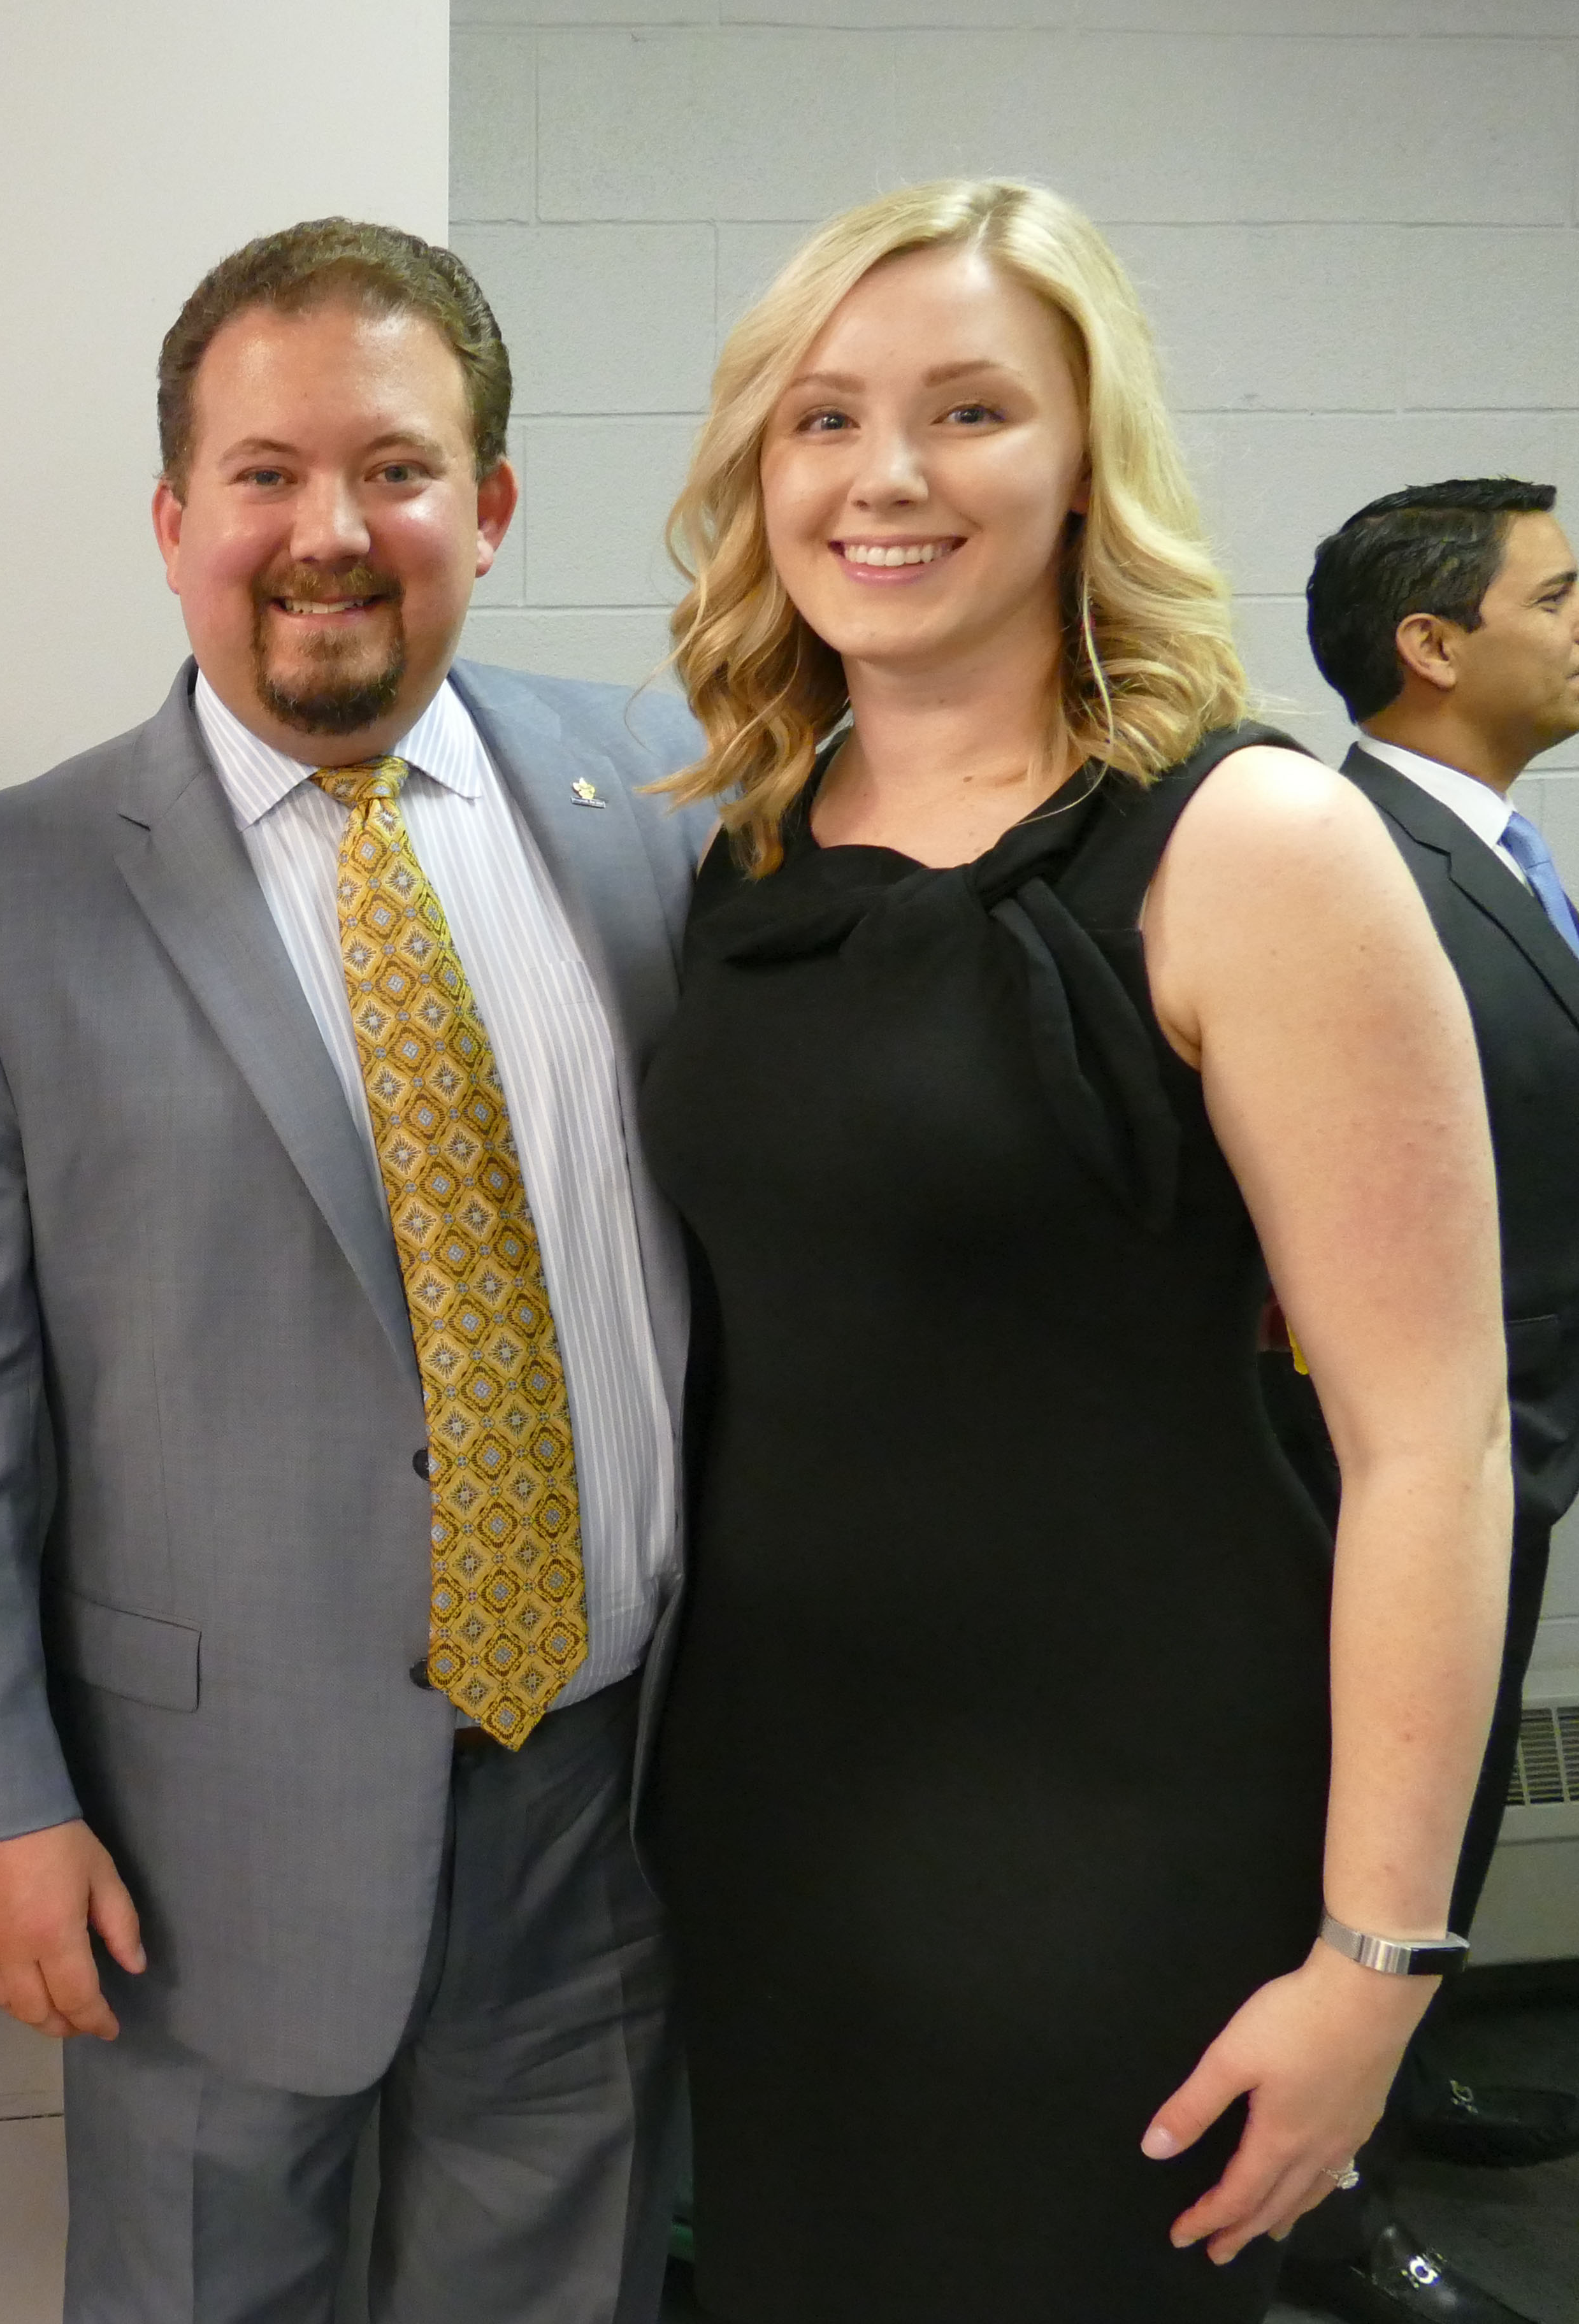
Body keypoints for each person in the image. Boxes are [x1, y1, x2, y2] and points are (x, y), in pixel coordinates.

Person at [637, 179, 1510, 2324]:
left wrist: (1375, 1964)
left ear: (1088, 457)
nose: (891, 476)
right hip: (776, 1829)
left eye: (971, 411)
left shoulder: (1251, 845)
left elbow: (1435, 1445)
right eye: (826, 418)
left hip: (1115, 1845)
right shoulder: (744, 844)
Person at [0, 219, 705, 2323]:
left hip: (609, 1793)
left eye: (397, 470)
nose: (332, 532)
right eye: (264, 473)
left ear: (488, 509)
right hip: (195, 1842)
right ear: (172, 520)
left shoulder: (669, 797)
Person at [1274, 478, 1579, 2324]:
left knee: (1450, 1800)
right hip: (1390, 1458)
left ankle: (1411, 2065)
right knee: (1368, 1813)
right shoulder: (1351, 859)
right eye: (1562, 595)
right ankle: (1327, 2195)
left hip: (1513, 1441)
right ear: (1435, 645)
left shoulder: (1501, 848)